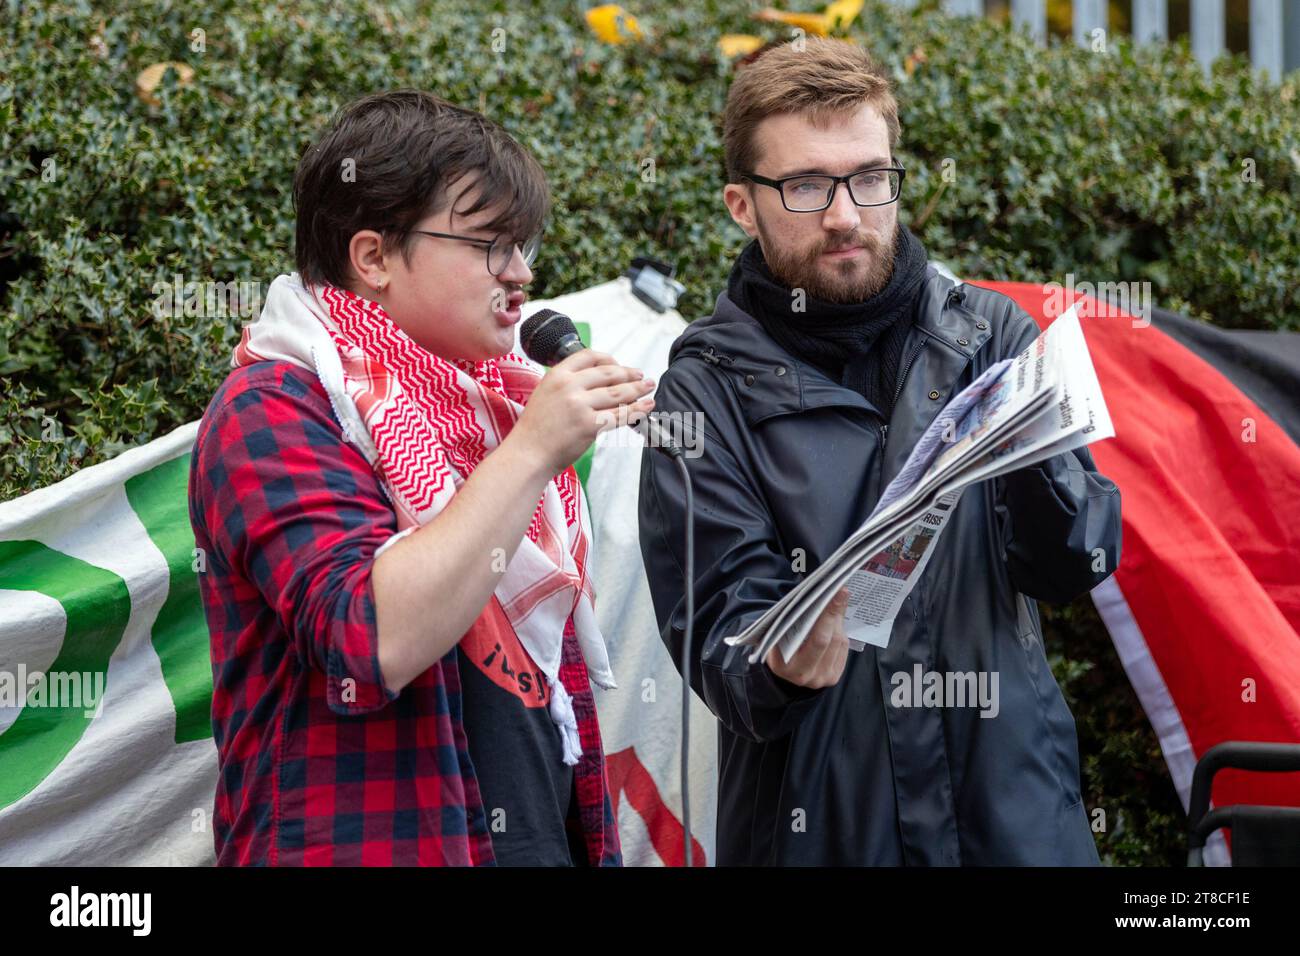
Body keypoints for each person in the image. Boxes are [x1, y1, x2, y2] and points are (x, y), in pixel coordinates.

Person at [637, 39, 1122, 865]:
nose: (845, 214)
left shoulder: (993, 335)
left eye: (869, 178)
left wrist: (1039, 462)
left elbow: (1079, 561)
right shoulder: (700, 392)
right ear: (740, 205)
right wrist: (781, 660)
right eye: (804, 186)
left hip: (1018, 829)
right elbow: (719, 642)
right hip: (823, 837)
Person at [189, 90, 654, 865]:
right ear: (372, 257)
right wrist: (533, 451)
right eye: (489, 245)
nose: (522, 275)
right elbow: (372, 637)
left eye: (524, 245)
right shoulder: (272, 405)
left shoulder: (492, 407)